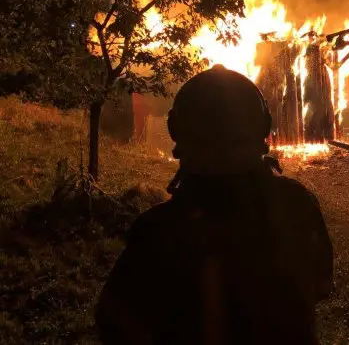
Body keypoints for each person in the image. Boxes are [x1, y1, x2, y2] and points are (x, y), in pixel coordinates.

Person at [95, 65, 334, 345]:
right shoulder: (297, 206)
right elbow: (321, 286)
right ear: (264, 129)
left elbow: (117, 323)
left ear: (176, 132)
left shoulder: (158, 231)